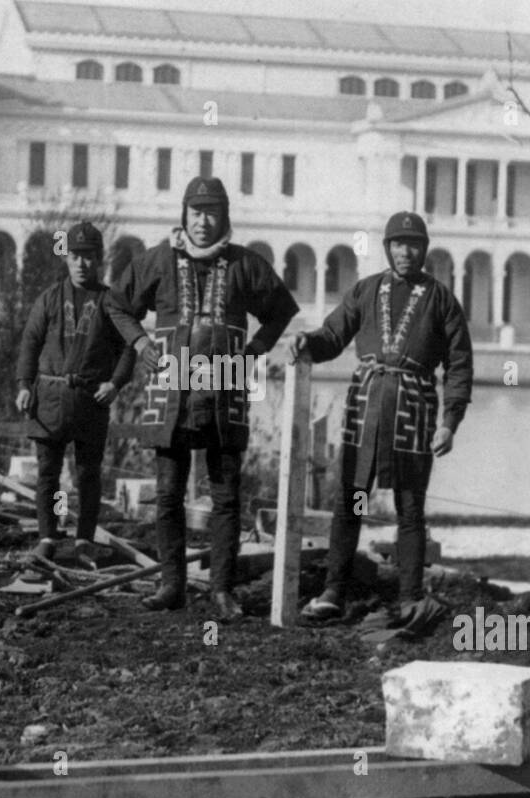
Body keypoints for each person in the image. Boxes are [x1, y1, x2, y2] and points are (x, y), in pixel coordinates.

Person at [106, 176, 298, 615]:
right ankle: (171, 585)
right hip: (171, 381)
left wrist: (254, 351)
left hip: (227, 382)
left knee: (227, 495)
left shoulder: (246, 264)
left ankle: (221, 591)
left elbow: (282, 310)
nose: (203, 222)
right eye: (196, 212)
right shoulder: (157, 260)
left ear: (224, 217)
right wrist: (139, 344)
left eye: (212, 213)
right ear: (184, 215)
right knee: (169, 492)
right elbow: (117, 304)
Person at [288, 211, 472, 630]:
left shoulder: (441, 299)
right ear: (387, 247)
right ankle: (335, 589)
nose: (405, 252)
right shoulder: (367, 291)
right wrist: (308, 342)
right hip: (366, 406)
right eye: (397, 243)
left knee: (410, 507)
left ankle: (410, 596)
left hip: (414, 409)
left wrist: (450, 421)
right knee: (352, 499)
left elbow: (459, 365)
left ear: (424, 249)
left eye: (413, 244)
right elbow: (334, 336)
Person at [16, 221, 136, 566]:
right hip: (50, 396)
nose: (82, 263)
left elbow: (131, 346)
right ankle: (49, 536)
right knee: (48, 473)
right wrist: (24, 385)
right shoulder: (50, 298)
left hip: (89, 400)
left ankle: (84, 539)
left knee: (87, 473)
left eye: (89, 256)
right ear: (65, 257)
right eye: (75, 256)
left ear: (99, 259)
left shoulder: (111, 300)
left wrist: (115, 383)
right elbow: (30, 342)